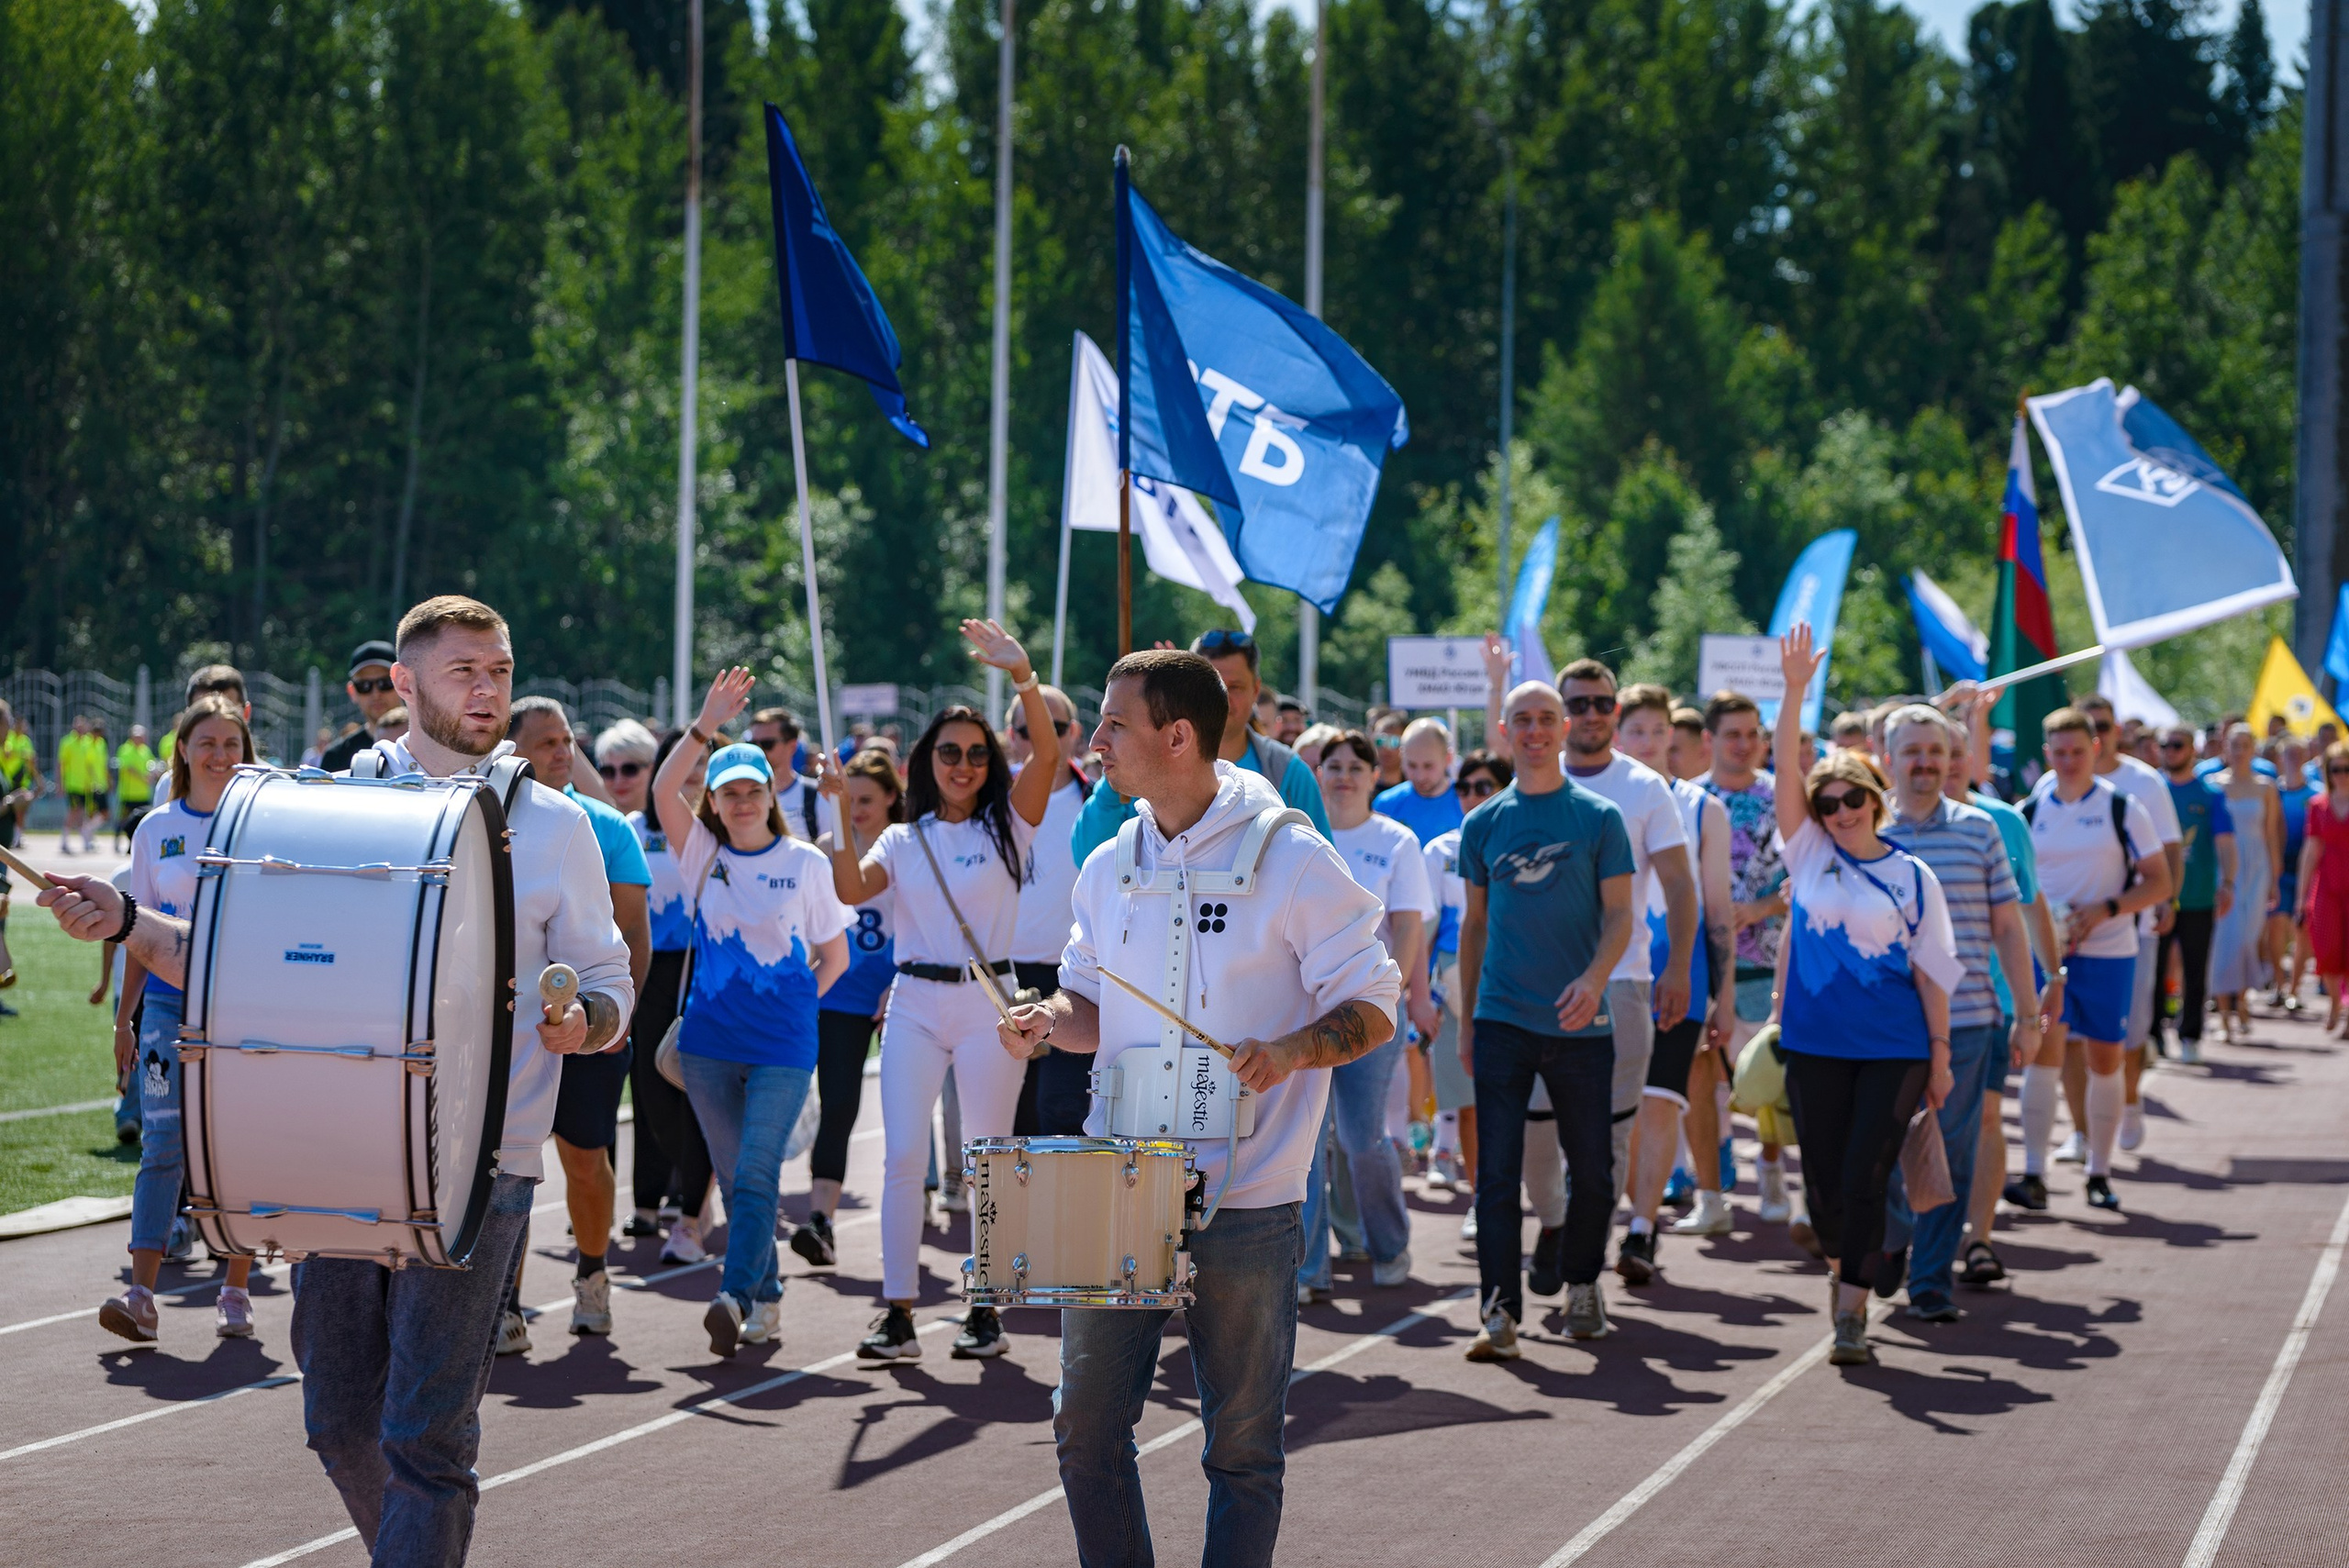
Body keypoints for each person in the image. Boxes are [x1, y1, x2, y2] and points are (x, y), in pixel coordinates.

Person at [40, 595, 634, 1562]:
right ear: (403, 684)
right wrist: (124, 921)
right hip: (341, 1157)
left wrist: (588, 1018)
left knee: (426, 1436)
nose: (488, 691)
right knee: (339, 1420)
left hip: (489, 1163)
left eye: (500, 670)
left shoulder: (555, 821)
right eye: (463, 671)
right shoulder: (329, 802)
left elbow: (609, 981)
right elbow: (237, 956)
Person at [993, 649, 1401, 1566]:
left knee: (1242, 1448)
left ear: (1177, 735)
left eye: (1111, 724)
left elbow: (1377, 1001)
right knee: (1082, 1427)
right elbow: (1086, 1004)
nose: (1091, 741)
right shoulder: (1105, 865)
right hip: (1120, 1177)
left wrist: (1293, 1049)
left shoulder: (1293, 855)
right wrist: (1044, 1021)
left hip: (1250, 1193)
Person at [819, 619, 1061, 1362]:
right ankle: (897, 1309)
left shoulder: (1012, 825)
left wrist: (1022, 674)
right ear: (929, 760)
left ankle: (984, 1306)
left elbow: (1048, 753)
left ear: (992, 763)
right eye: (950, 753)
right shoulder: (902, 836)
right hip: (916, 1003)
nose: (963, 764)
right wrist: (836, 807)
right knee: (902, 1159)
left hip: (990, 1008)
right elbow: (851, 886)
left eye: (978, 754)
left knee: (986, 1155)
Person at [1766, 629, 1959, 1365]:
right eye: (1828, 800)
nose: (1840, 809)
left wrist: (1939, 1058)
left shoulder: (1915, 877)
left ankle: (1851, 1315)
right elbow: (1785, 762)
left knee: (1865, 1175)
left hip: (1895, 1046)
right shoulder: (1810, 852)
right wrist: (1793, 689)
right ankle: (1849, 1267)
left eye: (1852, 798)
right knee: (1823, 1186)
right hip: (1815, 1043)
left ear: (1876, 800)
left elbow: (1933, 974)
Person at [653, 671, 852, 1356]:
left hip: (784, 1048)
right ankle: (765, 1297)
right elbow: (659, 789)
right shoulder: (702, 855)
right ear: (713, 799)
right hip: (708, 1044)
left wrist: (797, 1006)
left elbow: (836, 956)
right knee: (737, 1178)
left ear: (773, 794)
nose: (741, 800)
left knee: (760, 1171)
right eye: (728, 790)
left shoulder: (804, 863)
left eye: (753, 788)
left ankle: (733, 1293)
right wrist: (706, 723)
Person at [1457, 678, 1636, 1356]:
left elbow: (1621, 914)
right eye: (1521, 719)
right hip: (1503, 1019)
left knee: (1591, 1170)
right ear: (1504, 731)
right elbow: (1475, 927)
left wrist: (1594, 981)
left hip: (1582, 1023)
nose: (1534, 729)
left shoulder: (1598, 817)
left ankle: (1583, 1284)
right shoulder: (1484, 823)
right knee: (1496, 1174)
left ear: (1564, 729)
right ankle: (1499, 1310)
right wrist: (1471, 1018)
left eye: (1546, 718)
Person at [95, 696, 263, 1343]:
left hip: (241, 1005)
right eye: (208, 743)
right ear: (184, 751)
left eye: (232, 744)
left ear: (245, 753)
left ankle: (236, 1288)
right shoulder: (154, 827)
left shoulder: (261, 826)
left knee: (236, 1147)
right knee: (163, 1145)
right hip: (167, 1005)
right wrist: (124, 1019)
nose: (220, 755)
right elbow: (137, 929)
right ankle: (140, 1294)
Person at [1874, 704, 2041, 1322]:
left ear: (1952, 759)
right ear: (1888, 757)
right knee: (1880, 1148)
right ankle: (1893, 1236)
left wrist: (2026, 1010)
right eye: (1913, 750)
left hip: (1969, 1018)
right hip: (1881, 1024)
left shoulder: (1980, 829)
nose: (1925, 762)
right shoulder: (1863, 826)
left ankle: (1930, 1283)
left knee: (1951, 1150)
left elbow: (2008, 923)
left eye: (1936, 752)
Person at [503, 697, 652, 1345]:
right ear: (512, 753)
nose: (564, 752)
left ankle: (593, 1276)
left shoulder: (607, 827)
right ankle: (502, 1300)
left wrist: (615, 1021)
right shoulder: (491, 822)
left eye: (567, 740)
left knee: (584, 1161)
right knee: (509, 1165)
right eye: (547, 743)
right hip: (512, 1033)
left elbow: (634, 936)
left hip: (589, 1031)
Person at [2013, 706, 2172, 1215]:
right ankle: (2034, 1173)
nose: (2068, 761)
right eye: (2058, 753)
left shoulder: (2123, 808)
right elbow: (2016, 883)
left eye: (2077, 751)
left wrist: (2106, 909)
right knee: (2044, 1054)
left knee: (2106, 1059)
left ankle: (2098, 1174)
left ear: (2095, 749)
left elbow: (2159, 881)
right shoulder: (2030, 811)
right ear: (2047, 754)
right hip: (2047, 953)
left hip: (2109, 951)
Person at [1298, 730, 1436, 1301]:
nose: (1345, 775)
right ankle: (1308, 1269)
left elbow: (1409, 927)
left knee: (1361, 1137)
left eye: (1358, 766)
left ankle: (1389, 1244)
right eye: (1334, 765)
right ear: (1318, 773)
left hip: (1371, 1012)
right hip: (1306, 1015)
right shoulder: (1299, 835)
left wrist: (1391, 992)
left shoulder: (1396, 840)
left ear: (1375, 776)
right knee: (1304, 1145)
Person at [1610, 684, 1739, 1249]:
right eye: (1636, 730)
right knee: (1618, 1108)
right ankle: (1616, 1209)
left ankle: (1642, 1225)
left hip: (1677, 977)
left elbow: (1718, 910)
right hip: (1607, 978)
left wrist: (1724, 994)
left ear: (1674, 739)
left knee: (1663, 1100)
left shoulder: (1702, 808)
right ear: (1618, 734)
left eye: (1658, 732)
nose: (1647, 742)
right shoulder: (1593, 796)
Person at [1071, 628, 1329, 864]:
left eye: (1235, 686)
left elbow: (1318, 876)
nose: (1221, 695)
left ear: (1256, 690)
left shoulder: (1288, 772)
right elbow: (1088, 857)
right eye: (1211, 683)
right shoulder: (1146, 764)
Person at [804, 746, 904, 1266]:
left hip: (902, 994)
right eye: (852, 799)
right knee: (839, 1105)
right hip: (840, 995)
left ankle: (924, 1191)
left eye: (869, 799)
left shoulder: (906, 846)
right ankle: (821, 1219)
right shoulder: (826, 849)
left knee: (905, 1108)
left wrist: (900, 981)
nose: (859, 809)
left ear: (892, 797)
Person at [625, 727, 720, 1263]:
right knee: (654, 1086)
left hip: (706, 969)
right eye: (682, 763)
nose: (692, 775)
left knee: (703, 1087)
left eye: (702, 766)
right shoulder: (637, 828)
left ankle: (690, 1209)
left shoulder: (721, 830)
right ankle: (680, 1182)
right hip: (649, 969)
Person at [1700, 689, 1796, 1225]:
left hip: (1766, 961)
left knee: (1763, 1076)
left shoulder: (1784, 799)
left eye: (1753, 734)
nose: (1744, 744)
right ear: (1709, 739)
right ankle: (1714, 1187)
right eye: (1733, 734)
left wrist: (1758, 908)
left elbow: (1807, 876)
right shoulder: (1688, 799)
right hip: (1704, 965)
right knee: (1708, 1080)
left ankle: (1772, 1169)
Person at [1421, 752, 1512, 1219]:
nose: (1474, 796)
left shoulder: (1525, 843)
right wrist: (1422, 992)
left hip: (1518, 980)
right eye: (1465, 787)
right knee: (1470, 1102)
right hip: (1456, 987)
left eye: (1485, 786)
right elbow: (1426, 927)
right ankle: (1484, 1203)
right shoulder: (1439, 851)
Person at [1005, 684, 1093, 1135]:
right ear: (1011, 735)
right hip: (1006, 973)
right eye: (1028, 728)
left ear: (1074, 733)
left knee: (1061, 1109)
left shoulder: (1096, 801)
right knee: (1010, 1113)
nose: (1042, 737)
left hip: (1072, 980)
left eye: (1054, 727)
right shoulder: (993, 803)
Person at [2156, 726, 2235, 1068]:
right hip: (2156, 898)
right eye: (2165, 746)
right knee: (2154, 970)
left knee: (2195, 969)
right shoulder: (2153, 790)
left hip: (2198, 897)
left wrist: (2228, 883)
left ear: (2192, 750)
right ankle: (2153, 1036)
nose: (2170, 751)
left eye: (2177, 745)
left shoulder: (2210, 794)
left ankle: (2190, 1036)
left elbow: (2225, 843)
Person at [2208, 723, 2282, 1043]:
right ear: (2226, 748)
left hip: (2257, 867)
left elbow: (2271, 834)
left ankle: (2242, 1000)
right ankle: (2226, 1013)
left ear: (2254, 749)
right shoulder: (2213, 785)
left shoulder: (2266, 786)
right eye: (2233, 745)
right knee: (2226, 937)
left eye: (2245, 745)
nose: (2239, 751)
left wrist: (2275, 878)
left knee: (2248, 938)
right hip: (2225, 869)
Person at [2299, 743, 2349, 1036]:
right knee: (2328, 948)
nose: (2342, 775)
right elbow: (2311, 850)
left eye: (2347, 769)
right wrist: (2302, 897)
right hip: (2327, 886)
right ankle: (2334, 1003)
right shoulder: (2318, 805)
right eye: (2336, 769)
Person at [1373, 717, 1464, 846]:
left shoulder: (1466, 802)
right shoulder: (1385, 805)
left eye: (1428, 766)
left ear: (1448, 759)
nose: (1420, 776)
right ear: (1402, 756)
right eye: (1412, 765)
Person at [321, 640, 402, 773]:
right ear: (352, 692)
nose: (376, 694)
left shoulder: (428, 747)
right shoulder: (336, 757)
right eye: (364, 686)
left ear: (402, 683)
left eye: (385, 683)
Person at [746, 706, 826, 840]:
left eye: (767, 744)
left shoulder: (816, 794)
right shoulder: (740, 795)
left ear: (792, 746)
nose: (758, 750)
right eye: (752, 744)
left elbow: (830, 850)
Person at [2272, 737, 2310, 1008]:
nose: (2294, 759)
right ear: (2280, 759)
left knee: (2302, 929)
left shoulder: (2316, 793)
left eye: (2299, 754)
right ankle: (2279, 984)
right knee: (2276, 926)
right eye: (2289, 755)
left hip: (2307, 869)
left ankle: (2294, 988)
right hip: (2278, 868)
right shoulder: (2272, 792)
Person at [59, 714, 107, 855]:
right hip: (73, 784)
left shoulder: (87, 743)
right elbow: (61, 764)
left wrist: (94, 781)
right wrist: (61, 783)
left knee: (83, 814)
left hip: (85, 785)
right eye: (78, 726)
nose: (80, 729)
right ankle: (64, 841)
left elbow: (90, 765)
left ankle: (85, 841)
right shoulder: (67, 742)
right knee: (74, 812)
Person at [114, 723, 157, 851]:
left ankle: (133, 845)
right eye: (139, 736)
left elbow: (151, 764)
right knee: (123, 820)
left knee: (142, 820)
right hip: (128, 793)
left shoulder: (145, 750)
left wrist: (152, 774)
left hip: (142, 793)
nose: (142, 739)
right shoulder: (125, 749)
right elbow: (128, 768)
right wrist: (143, 777)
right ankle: (117, 841)